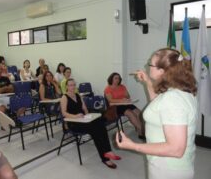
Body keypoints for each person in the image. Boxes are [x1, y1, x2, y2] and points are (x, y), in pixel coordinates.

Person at [116, 48, 198, 179]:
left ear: (162, 71)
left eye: (150, 64)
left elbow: (176, 149)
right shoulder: (178, 91)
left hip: (168, 169)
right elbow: (158, 106)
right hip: (169, 165)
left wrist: (133, 146)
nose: (148, 66)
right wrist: (148, 81)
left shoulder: (173, 99)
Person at [60, 78, 121, 169]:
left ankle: (108, 152)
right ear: (67, 87)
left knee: (100, 124)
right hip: (73, 122)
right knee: (95, 129)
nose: (72, 87)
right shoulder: (64, 97)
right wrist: (75, 116)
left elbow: (85, 109)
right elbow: (64, 113)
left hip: (83, 120)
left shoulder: (78, 95)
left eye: (74, 85)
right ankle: (106, 157)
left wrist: (89, 116)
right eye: (70, 85)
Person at [104, 72, 144, 138]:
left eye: (119, 78)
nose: (117, 80)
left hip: (125, 104)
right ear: (111, 79)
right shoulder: (108, 89)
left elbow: (128, 96)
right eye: (115, 78)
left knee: (139, 113)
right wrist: (121, 100)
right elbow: (110, 100)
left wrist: (126, 98)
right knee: (131, 113)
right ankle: (142, 131)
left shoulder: (122, 86)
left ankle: (141, 128)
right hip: (115, 106)